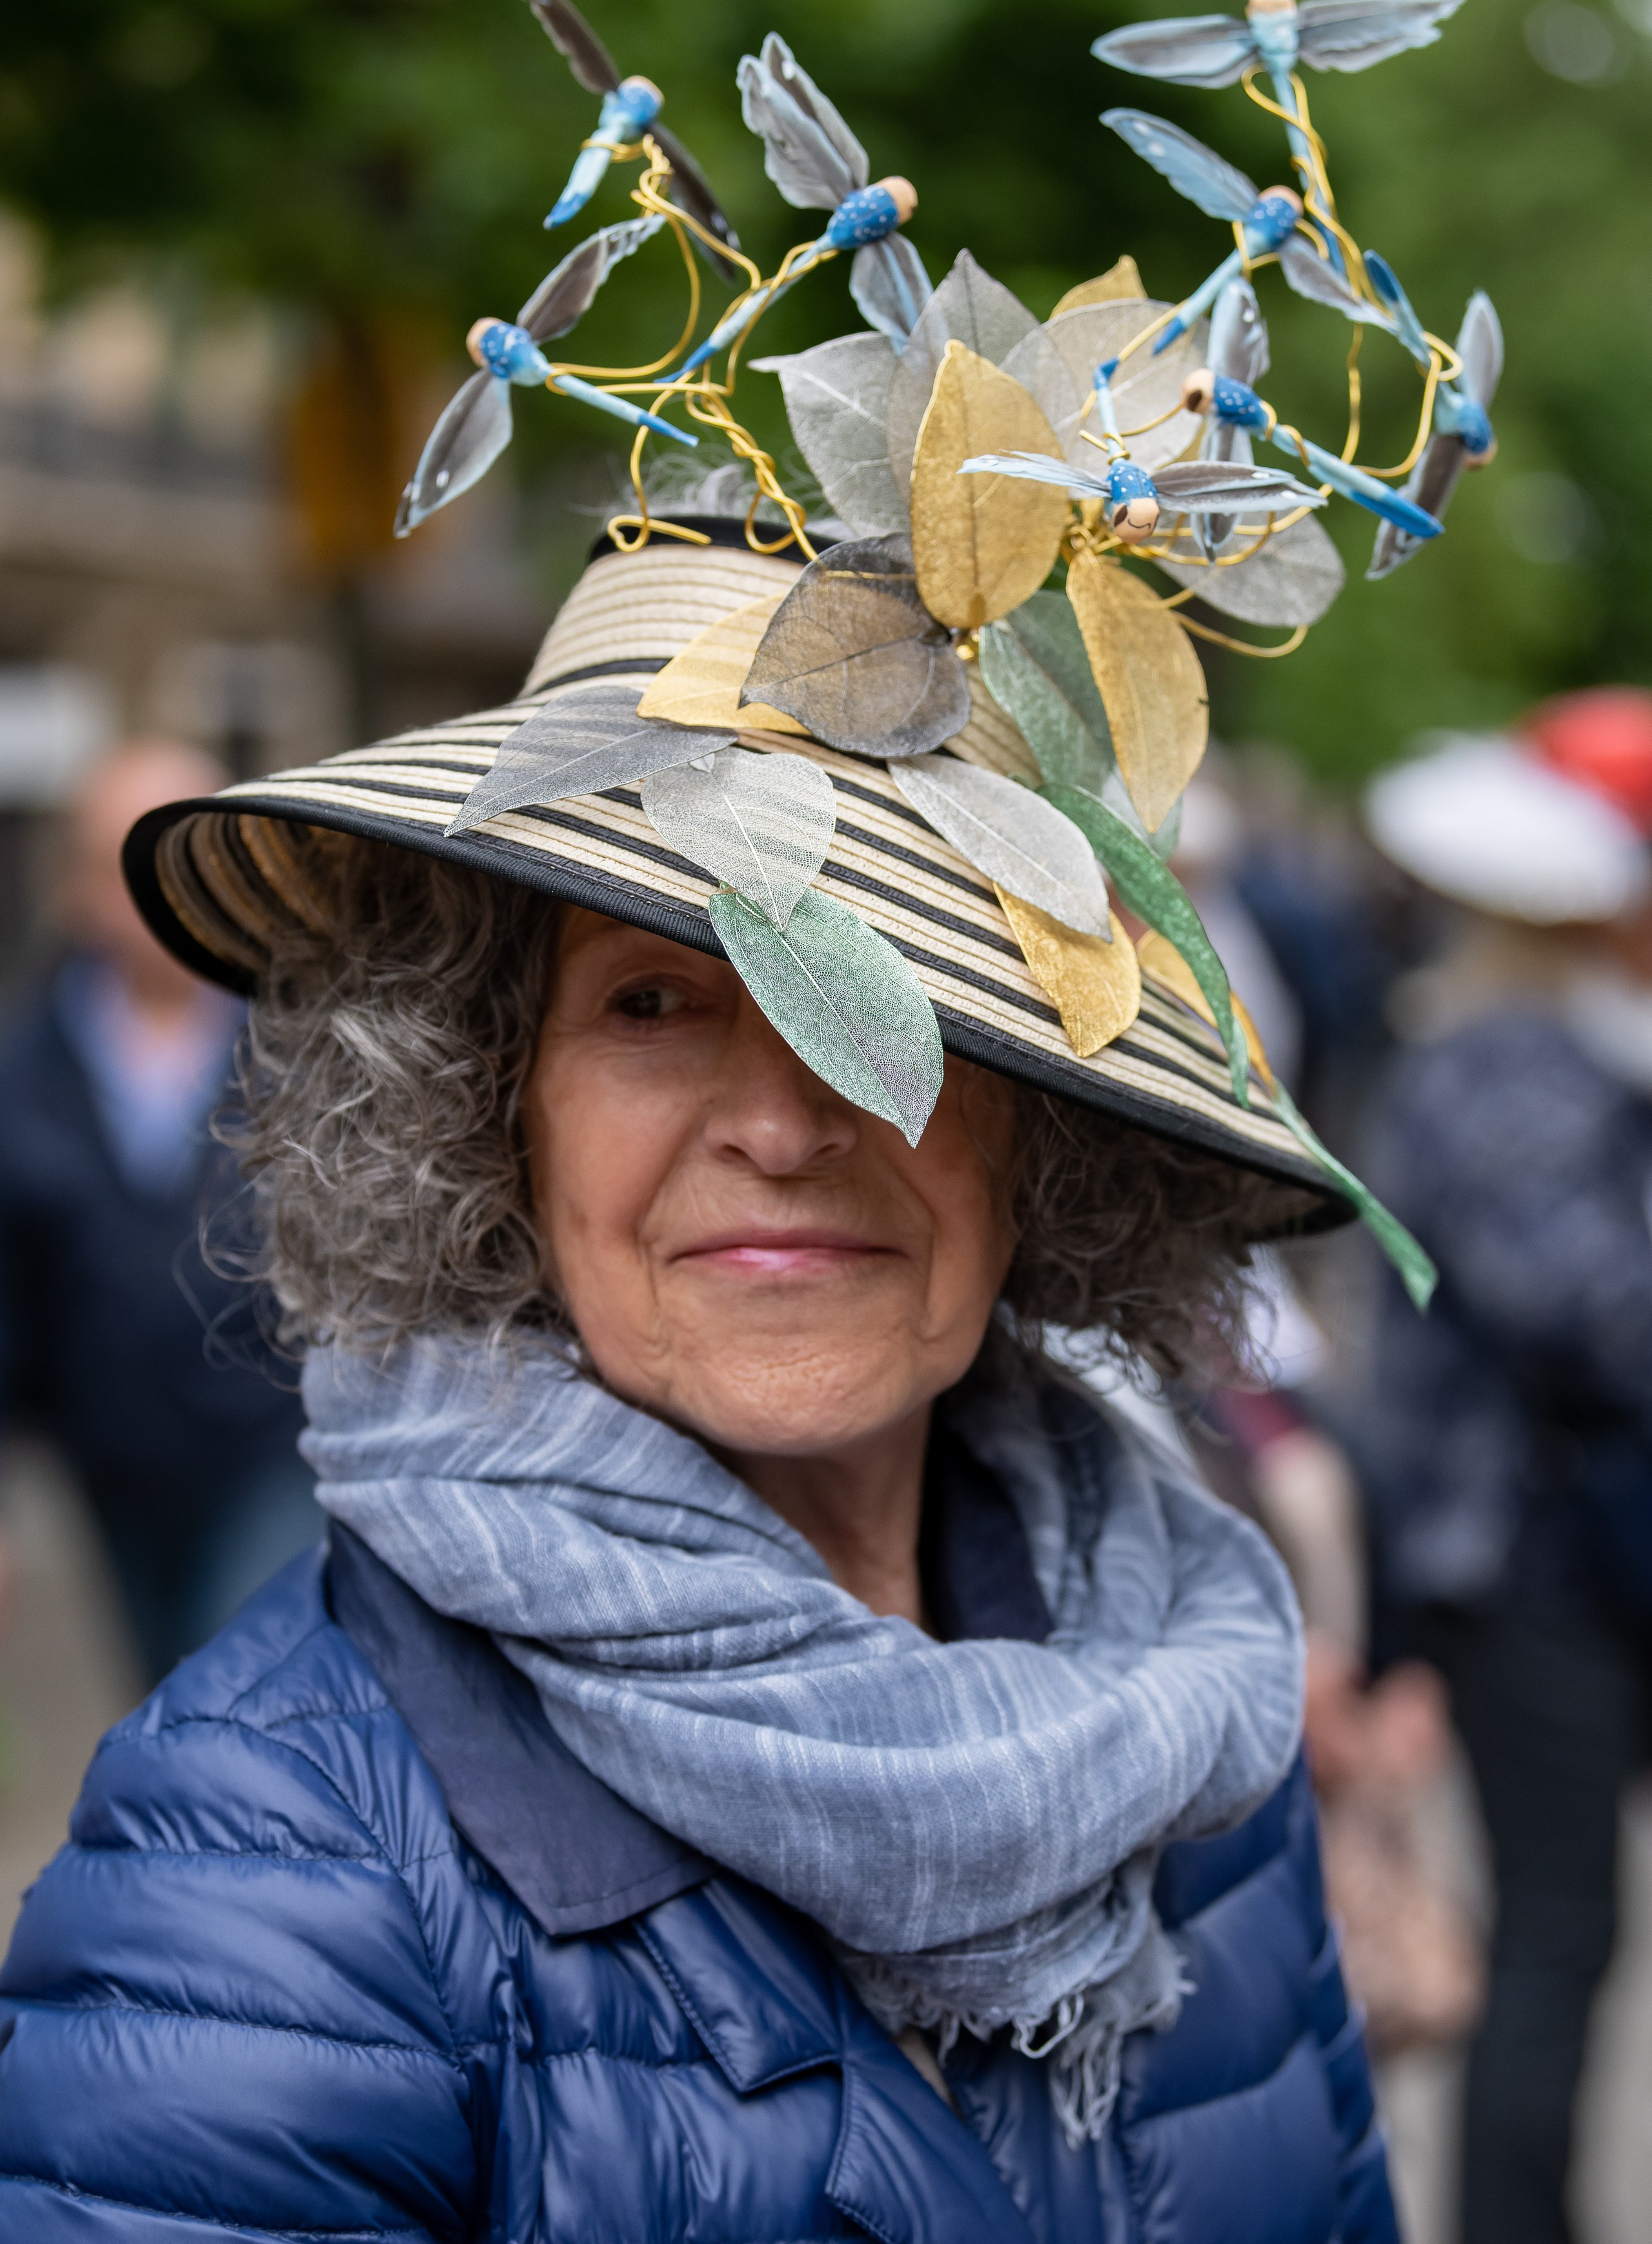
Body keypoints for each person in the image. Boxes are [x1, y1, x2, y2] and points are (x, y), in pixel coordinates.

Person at [0, 515, 1396, 2244]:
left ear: (1044, 1130)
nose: (782, 1119)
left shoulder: (1205, 1735)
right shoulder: (257, 1866)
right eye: (656, 1002)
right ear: (488, 1114)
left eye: (893, 993)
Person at [1351, 690, 1652, 2244]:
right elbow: (1597, 1316)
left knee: (1562, 1929)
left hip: (1537, 1548)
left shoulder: (1524, 1048)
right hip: (1513, 1556)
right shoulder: (1513, 1063)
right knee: (1552, 1933)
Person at [0, 741, 314, 1684]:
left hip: (276, 1451)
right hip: (114, 1465)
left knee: (236, 1673)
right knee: (162, 1685)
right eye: (123, 864)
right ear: (79, 889)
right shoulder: (29, 1070)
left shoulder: (305, 1046)